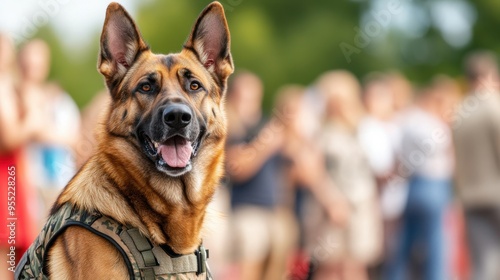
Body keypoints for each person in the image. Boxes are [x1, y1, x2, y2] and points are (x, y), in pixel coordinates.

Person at [305, 70, 382, 280]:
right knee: (330, 267)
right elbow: (312, 170)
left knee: (355, 266)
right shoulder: (320, 131)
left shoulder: (362, 128)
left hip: (361, 205)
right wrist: (332, 201)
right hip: (330, 209)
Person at [386, 76, 460, 280]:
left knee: (407, 240)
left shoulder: (407, 120)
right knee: (437, 243)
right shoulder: (429, 123)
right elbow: (442, 148)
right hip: (433, 184)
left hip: (413, 185)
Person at [225, 72, 296, 280]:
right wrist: (265, 145)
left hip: (275, 210)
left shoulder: (264, 124)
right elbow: (237, 168)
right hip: (246, 210)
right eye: (244, 96)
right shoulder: (231, 126)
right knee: (247, 272)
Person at [17, 39, 80, 219]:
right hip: (26, 184)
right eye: (28, 63)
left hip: (57, 184)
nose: (32, 68)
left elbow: (75, 138)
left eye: (37, 64)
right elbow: (36, 130)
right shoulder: (14, 95)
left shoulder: (59, 100)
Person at [453, 51, 500, 280]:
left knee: (483, 263)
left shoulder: (460, 111)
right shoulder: (494, 108)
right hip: (496, 193)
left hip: (470, 195)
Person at [0, 34, 39, 280]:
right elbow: (9, 138)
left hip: (14, 178)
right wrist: (34, 120)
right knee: (7, 260)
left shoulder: (10, 86)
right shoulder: (2, 86)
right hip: (5, 180)